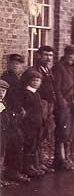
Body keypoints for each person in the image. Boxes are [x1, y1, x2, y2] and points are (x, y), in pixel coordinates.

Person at [20, 46, 57, 174]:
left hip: (46, 107)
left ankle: (38, 163)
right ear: (38, 56)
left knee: (42, 136)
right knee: (33, 138)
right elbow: (23, 91)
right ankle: (31, 165)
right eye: (45, 55)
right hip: (36, 107)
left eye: (50, 55)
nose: (48, 58)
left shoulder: (48, 70)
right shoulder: (32, 71)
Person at [51, 45, 74, 170]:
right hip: (62, 105)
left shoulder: (72, 69)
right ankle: (60, 159)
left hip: (71, 104)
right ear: (68, 55)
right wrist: (62, 103)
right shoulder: (59, 68)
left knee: (68, 131)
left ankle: (67, 156)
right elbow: (56, 89)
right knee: (62, 131)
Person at [1, 55, 28, 183]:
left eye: (18, 64)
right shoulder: (5, 78)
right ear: (8, 64)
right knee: (14, 141)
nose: (15, 65)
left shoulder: (17, 78)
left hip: (16, 114)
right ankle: (12, 171)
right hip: (9, 115)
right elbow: (6, 99)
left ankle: (13, 170)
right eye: (13, 63)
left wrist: (21, 108)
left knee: (17, 140)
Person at [20, 71, 45, 178]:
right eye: (33, 80)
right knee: (28, 144)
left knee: (35, 144)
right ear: (29, 81)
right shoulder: (26, 93)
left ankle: (34, 165)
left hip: (37, 123)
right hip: (29, 124)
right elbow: (25, 110)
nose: (35, 83)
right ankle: (27, 167)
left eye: (38, 81)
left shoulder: (36, 94)